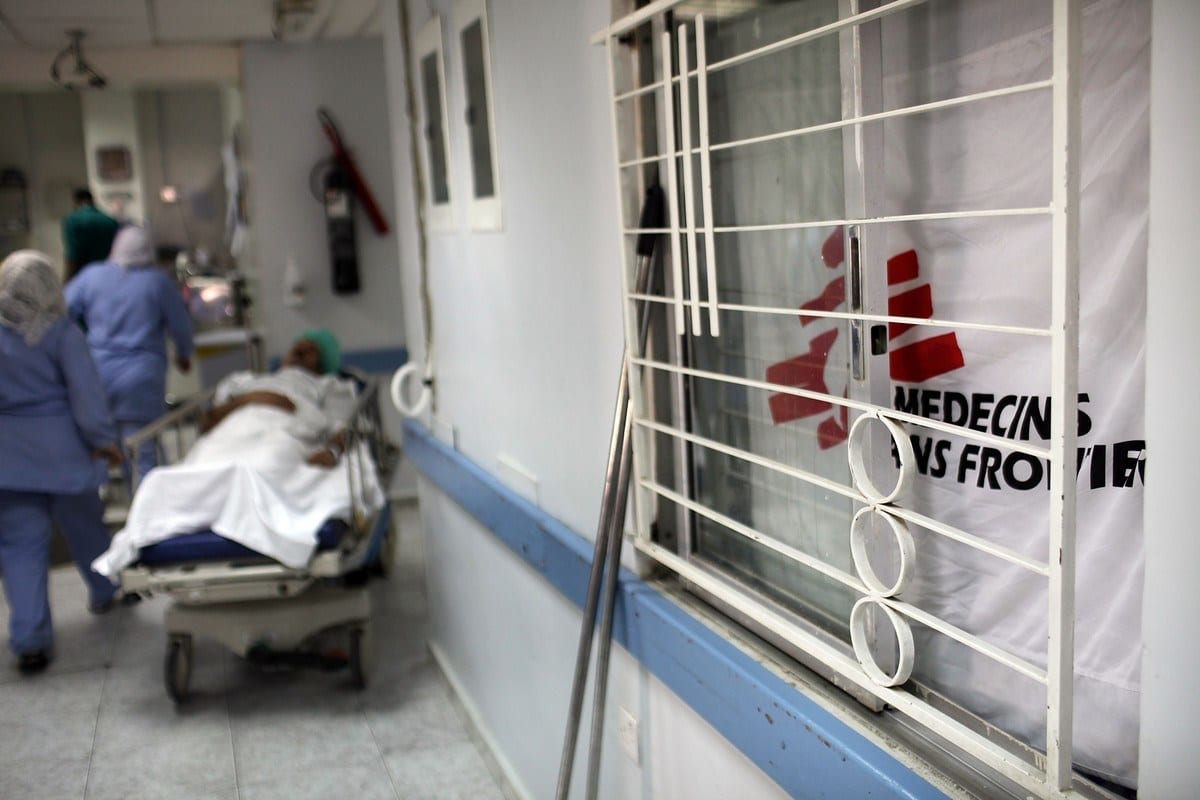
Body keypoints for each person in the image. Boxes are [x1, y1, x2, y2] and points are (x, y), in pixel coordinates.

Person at [92, 329, 383, 579]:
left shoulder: (329, 386)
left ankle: (237, 506)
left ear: (324, 364)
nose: (297, 353)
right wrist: (255, 398)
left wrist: (331, 451)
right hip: (229, 434)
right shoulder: (242, 381)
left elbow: (343, 426)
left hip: (282, 432)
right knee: (176, 474)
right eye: (296, 347)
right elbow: (208, 421)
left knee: (261, 466)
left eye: (308, 352)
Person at [0, 251, 124, 674]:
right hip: (65, 455)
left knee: (20, 548)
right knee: (86, 528)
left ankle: (30, 641)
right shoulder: (60, 333)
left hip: (9, 461)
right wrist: (104, 441)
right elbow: (86, 396)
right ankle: (105, 590)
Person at [65, 225, 194, 487]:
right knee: (145, 448)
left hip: (99, 375)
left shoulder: (92, 277)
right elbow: (180, 324)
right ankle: (148, 505)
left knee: (111, 447)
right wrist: (184, 354)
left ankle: (121, 499)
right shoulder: (157, 282)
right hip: (141, 376)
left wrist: (73, 350)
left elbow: (60, 311)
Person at [61, 188, 119, 280]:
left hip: (85, 276)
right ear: (92, 201)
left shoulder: (73, 221)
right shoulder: (110, 221)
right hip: (109, 274)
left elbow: (73, 255)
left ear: (76, 201)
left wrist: (67, 281)